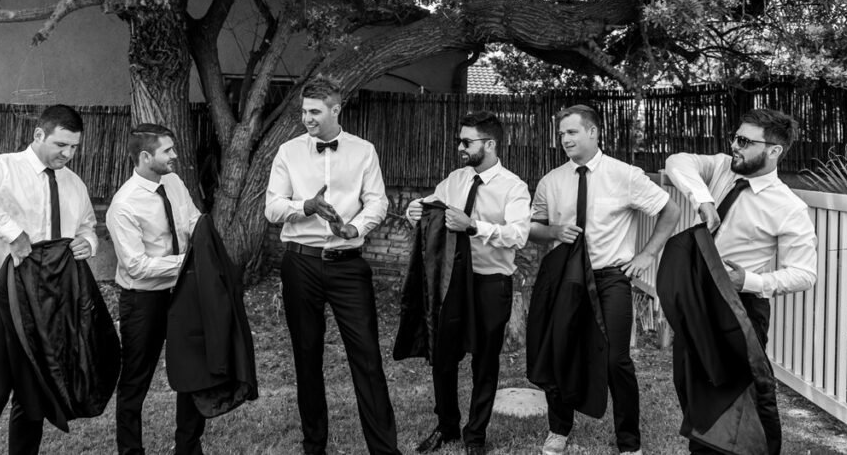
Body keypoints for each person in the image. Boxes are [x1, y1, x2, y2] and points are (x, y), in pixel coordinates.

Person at [663, 108, 817, 454]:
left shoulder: (788, 207)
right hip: (697, 302)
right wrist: (704, 201)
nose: (734, 145)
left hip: (739, 309)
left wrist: (747, 280)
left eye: (745, 141)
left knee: (741, 403)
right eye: (735, 137)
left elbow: (805, 273)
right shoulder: (721, 168)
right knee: (692, 389)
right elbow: (677, 161)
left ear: (774, 150)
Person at [529, 104, 680, 455]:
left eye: (572, 132)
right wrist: (553, 231)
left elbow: (670, 211)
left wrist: (647, 254)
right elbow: (533, 228)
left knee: (616, 360)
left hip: (610, 277)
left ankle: (629, 442)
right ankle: (558, 430)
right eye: (562, 133)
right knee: (561, 351)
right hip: (566, 278)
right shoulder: (551, 181)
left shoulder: (624, 175)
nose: (565, 139)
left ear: (593, 132)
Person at [0, 104, 98, 455]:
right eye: (61, 144)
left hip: (45, 302)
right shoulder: (1, 168)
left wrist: (88, 242)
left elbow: (88, 225)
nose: (68, 154)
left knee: (33, 397)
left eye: (74, 147)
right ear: (38, 134)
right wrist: (12, 232)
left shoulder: (74, 184)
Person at [264, 75, 401, 455]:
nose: (306, 118)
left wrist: (356, 226)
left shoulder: (363, 151)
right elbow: (272, 208)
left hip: (348, 265)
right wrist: (305, 206)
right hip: (301, 264)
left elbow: (378, 201)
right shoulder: (288, 152)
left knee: (367, 358)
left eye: (314, 112)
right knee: (307, 357)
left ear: (335, 109)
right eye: (304, 111)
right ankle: (314, 447)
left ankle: (384, 451)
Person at [402, 111, 531, 455]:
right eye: (459, 140)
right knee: (443, 354)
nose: (460, 147)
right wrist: (414, 209)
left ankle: (475, 435)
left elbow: (518, 235)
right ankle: (446, 427)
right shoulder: (454, 180)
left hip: (492, 283)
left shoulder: (514, 187)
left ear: (489, 144)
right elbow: (431, 207)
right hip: (452, 282)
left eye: (466, 142)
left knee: (485, 361)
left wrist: (473, 226)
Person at [106, 123, 202, 455]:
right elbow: (137, 266)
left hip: (183, 293)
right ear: (146, 157)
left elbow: (193, 220)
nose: (175, 155)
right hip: (143, 301)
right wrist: (187, 262)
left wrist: (204, 245)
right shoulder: (124, 205)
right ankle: (130, 451)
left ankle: (188, 448)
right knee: (135, 380)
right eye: (167, 150)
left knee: (191, 372)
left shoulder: (173, 182)